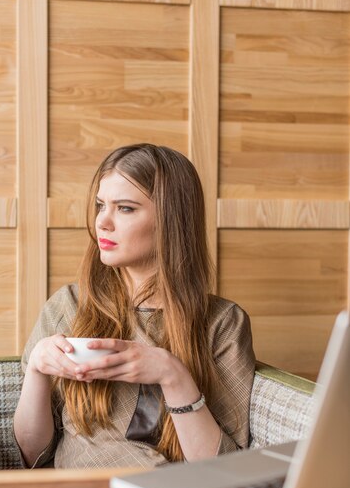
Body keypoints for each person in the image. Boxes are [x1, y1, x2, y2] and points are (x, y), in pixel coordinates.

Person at [14, 143, 256, 469]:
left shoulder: (222, 323)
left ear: (172, 220)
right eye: (101, 206)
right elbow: (32, 454)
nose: (103, 222)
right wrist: (37, 369)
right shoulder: (69, 306)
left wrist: (173, 376)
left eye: (125, 208)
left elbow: (227, 469)